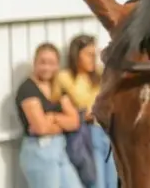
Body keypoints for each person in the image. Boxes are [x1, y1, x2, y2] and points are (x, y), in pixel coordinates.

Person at [16, 43, 83, 188]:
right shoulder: (27, 89)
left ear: (57, 65)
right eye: (42, 62)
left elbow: (75, 121)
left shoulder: (57, 87)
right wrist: (62, 123)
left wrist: (53, 117)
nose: (47, 67)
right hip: (39, 151)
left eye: (51, 63)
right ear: (35, 63)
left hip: (59, 149)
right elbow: (41, 128)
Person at [55, 34, 118, 188]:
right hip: (88, 132)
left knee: (112, 181)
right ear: (77, 54)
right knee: (97, 182)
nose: (93, 59)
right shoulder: (66, 77)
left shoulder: (100, 73)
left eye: (94, 54)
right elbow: (62, 101)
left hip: (108, 131)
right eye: (88, 55)